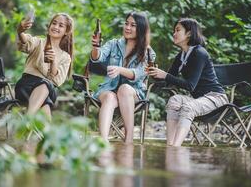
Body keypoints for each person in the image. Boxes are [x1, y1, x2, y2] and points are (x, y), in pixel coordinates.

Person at [148, 18, 228, 147]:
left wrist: (165, 75)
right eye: (174, 30)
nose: (174, 33)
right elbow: (168, 81)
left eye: (178, 30)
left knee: (188, 107)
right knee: (174, 100)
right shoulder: (180, 56)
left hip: (216, 98)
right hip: (200, 99)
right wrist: (155, 74)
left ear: (189, 33)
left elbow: (190, 86)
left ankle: (176, 147)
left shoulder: (199, 53)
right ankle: (170, 146)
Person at [90, 12, 156, 143]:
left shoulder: (148, 52)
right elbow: (97, 58)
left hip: (133, 92)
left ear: (141, 29)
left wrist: (120, 70)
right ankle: (103, 142)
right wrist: (96, 47)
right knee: (109, 97)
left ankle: (129, 139)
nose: (127, 27)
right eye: (126, 23)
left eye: (133, 25)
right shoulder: (113, 44)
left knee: (124, 89)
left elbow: (139, 74)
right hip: (109, 89)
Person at [15, 13, 74, 119]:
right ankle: (35, 126)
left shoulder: (65, 57)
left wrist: (54, 62)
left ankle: (28, 120)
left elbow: (57, 81)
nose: (56, 27)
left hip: (47, 89)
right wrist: (20, 31)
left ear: (66, 31)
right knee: (46, 112)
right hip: (26, 86)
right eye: (54, 23)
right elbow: (25, 41)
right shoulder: (39, 42)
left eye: (61, 25)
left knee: (46, 84)